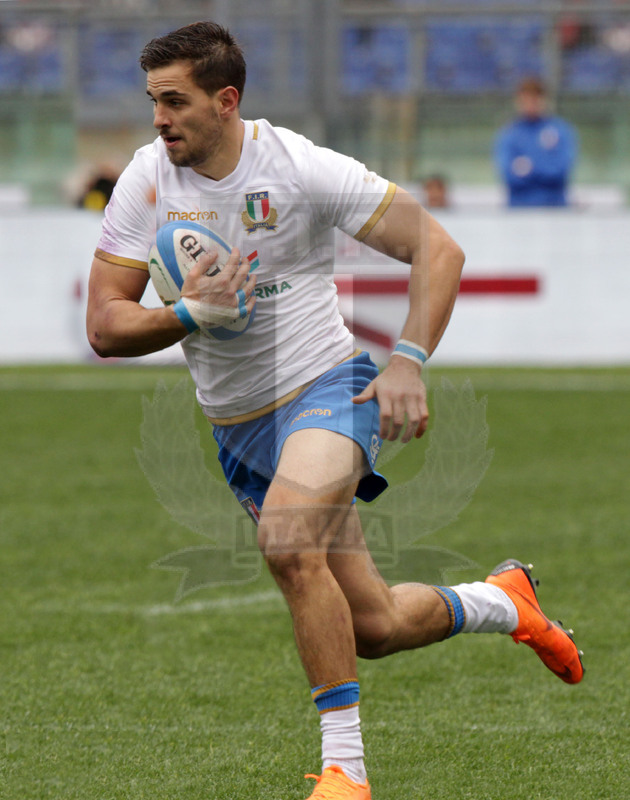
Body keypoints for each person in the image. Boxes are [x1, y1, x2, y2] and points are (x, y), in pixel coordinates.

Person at [86, 22, 584, 800]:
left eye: (174, 101)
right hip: (238, 428)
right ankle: (503, 601)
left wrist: (408, 361)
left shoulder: (298, 168)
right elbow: (105, 325)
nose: (158, 119)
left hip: (327, 387)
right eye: (153, 101)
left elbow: (439, 249)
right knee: (376, 626)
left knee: (288, 543)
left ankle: (346, 771)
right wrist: (189, 315)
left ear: (225, 101)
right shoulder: (147, 182)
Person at [493, 77, 578, 207]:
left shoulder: (560, 130)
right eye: (526, 100)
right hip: (519, 210)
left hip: (555, 210)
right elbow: (509, 176)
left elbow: (561, 170)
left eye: (535, 99)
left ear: (544, 100)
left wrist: (529, 168)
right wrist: (545, 166)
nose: (530, 104)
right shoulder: (509, 134)